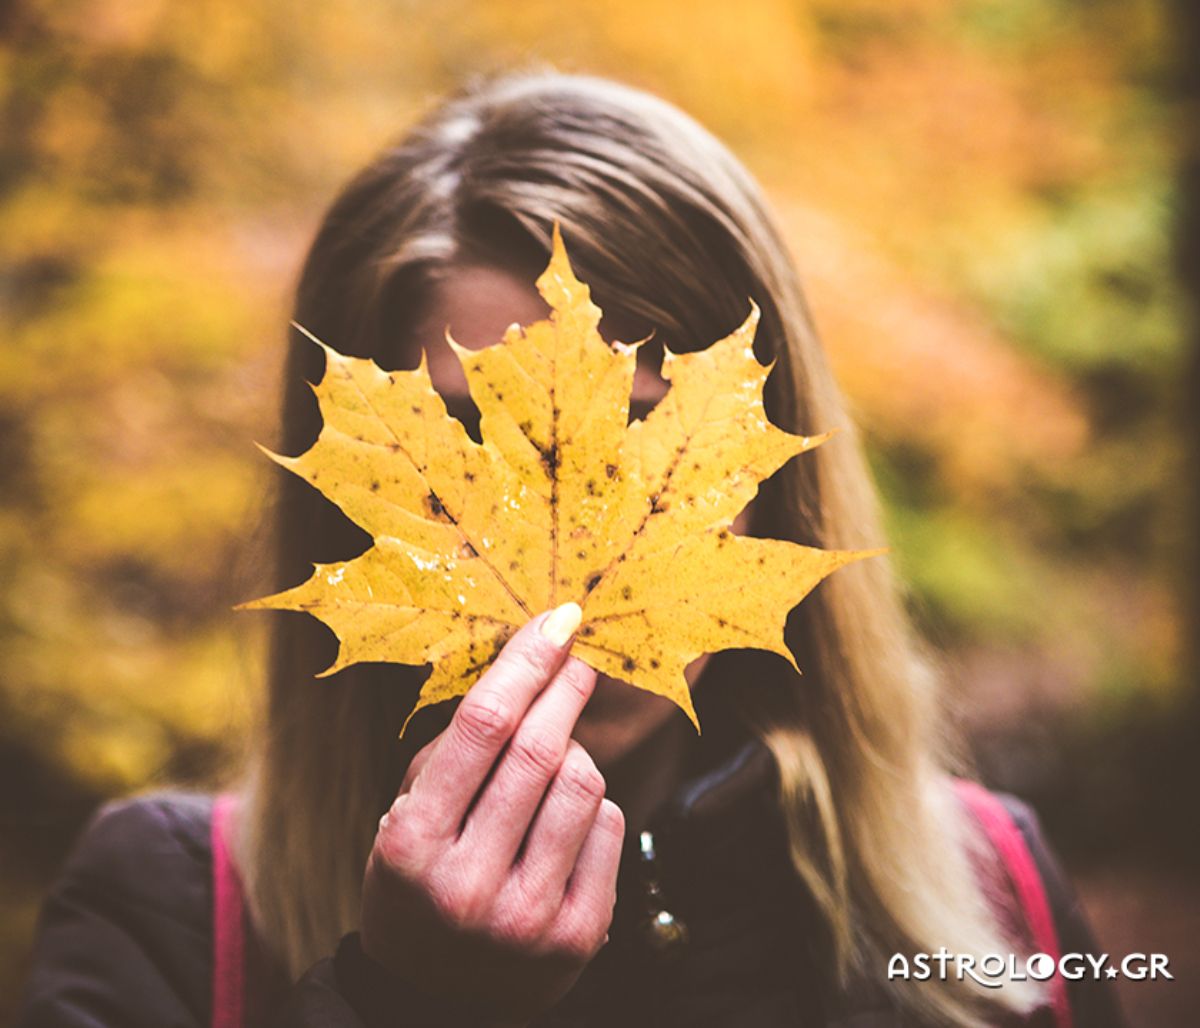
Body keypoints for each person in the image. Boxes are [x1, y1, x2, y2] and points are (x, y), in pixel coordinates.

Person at [17, 71, 1126, 1028]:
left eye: (642, 431)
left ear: (775, 486)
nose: (564, 578)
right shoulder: (167, 908)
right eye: (462, 439)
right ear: (349, 502)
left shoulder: (1000, 899)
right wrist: (402, 1001)